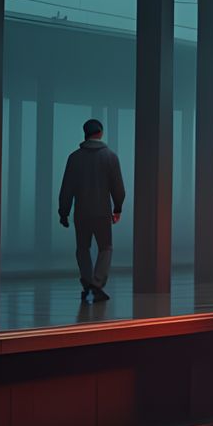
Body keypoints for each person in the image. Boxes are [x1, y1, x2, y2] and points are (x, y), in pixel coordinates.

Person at [58, 118, 126, 303]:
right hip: (102, 213)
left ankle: (87, 282)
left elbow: (67, 188)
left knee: (82, 248)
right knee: (106, 247)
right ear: (101, 133)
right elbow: (118, 188)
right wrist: (117, 207)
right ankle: (97, 283)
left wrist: (63, 212)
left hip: (81, 213)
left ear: (85, 133)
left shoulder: (74, 158)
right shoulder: (110, 157)